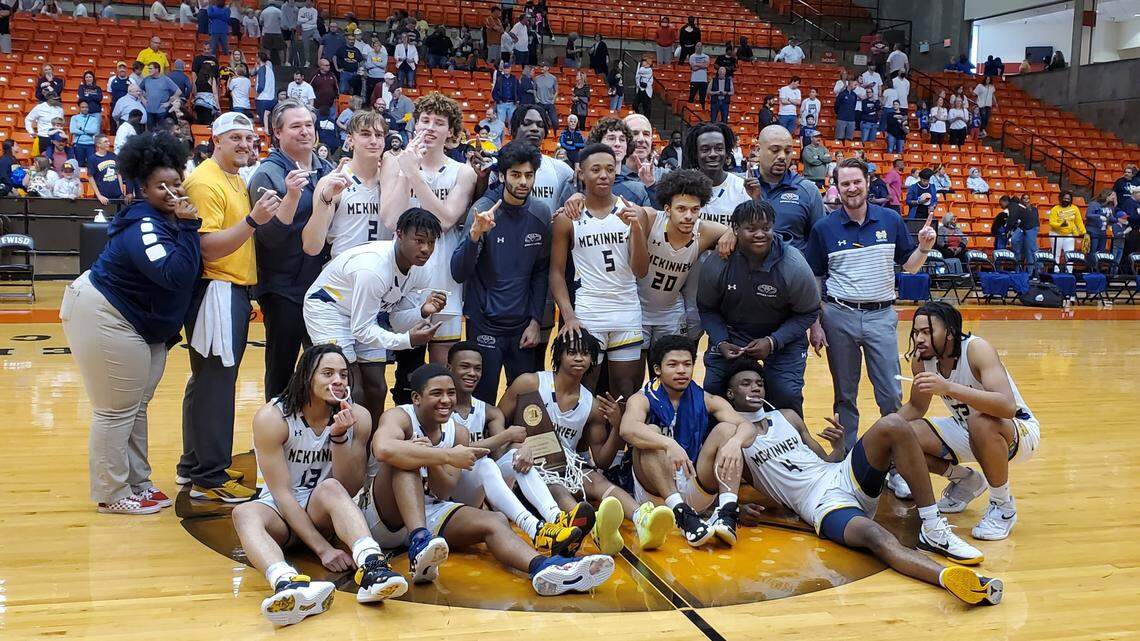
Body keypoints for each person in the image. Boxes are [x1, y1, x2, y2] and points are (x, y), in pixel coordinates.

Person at [725, 361, 998, 596]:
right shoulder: (730, 437)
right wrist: (736, 509)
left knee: (893, 424)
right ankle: (954, 579)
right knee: (876, 536)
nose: (755, 388)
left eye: (759, 383)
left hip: (841, 474)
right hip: (821, 505)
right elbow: (718, 487)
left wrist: (839, 445)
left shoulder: (787, 417)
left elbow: (827, 462)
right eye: (746, 384)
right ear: (730, 393)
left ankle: (932, 525)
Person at [363, 364, 617, 593]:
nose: (446, 400)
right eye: (437, 393)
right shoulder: (399, 416)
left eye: (451, 393)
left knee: (494, 521)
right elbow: (383, 449)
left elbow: (443, 491)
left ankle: (545, 567)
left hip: (431, 510)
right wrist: (438, 454)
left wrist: (434, 458)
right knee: (404, 461)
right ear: (416, 398)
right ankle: (419, 541)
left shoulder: (457, 432)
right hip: (387, 520)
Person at [62, 132, 199, 515]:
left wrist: (186, 226)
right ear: (143, 188)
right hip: (105, 314)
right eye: (161, 186)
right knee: (115, 410)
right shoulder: (144, 224)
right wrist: (190, 226)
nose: (171, 192)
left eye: (176, 183)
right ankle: (112, 492)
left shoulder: (169, 220)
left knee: (135, 406)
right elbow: (175, 275)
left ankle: (138, 482)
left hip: (136, 321)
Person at [232, 345, 406, 626]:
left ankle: (373, 566)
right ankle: (287, 584)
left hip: (323, 508)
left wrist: (339, 437)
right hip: (281, 512)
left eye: (343, 375)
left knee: (331, 487)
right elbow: (282, 494)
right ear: (306, 376)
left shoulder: (358, 417)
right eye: (327, 373)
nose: (338, 380)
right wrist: (323, 549)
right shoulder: (272, 418)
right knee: (243, 513)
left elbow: (350, 486)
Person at [178, 112, 282, 502]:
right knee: (217, 384)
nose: (245, 144)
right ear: (216, 140)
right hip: (216, 288)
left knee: (206, 381)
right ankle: (209, 478)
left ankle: (194, 465)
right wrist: (254, 221)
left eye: (249, 138)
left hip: (228, 289)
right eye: (235, 137)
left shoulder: (232, 177)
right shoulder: (205, 182)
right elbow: (206, 247)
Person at [805, 158, 937, 451]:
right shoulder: (823, 228)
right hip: (838, 316)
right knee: (844, 395)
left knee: (890, 393)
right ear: (836, 188)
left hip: (881, 316)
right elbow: (814, 278)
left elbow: (910, 266)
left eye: (856, 182)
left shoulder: (890, 219)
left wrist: (924, 247)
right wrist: (815, 324)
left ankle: (894, 457)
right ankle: (845, 457)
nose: (852, 188)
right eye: (845, 184)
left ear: (867, 182)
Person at [897, 301, 1040, 542]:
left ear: (950, 333)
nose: (919, 339)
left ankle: (1003, 507)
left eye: (927, 332)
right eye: (917, 332)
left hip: (1016, 431)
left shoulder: (977, 350)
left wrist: (949, 388)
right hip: (966, 428)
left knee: (980, 420)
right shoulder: (921, 360)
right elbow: (916, 407)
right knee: (903, 436)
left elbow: (1007, 406)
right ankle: (965, 480)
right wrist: (878, 433)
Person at [444, 342, 592, 554]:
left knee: (515, 457)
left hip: (479, 493)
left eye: (477, 368)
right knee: (485, 464)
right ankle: (535, 529)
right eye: (465, 367)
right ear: (449, 368)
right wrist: (507, 435)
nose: (472, 373)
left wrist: (523, 447)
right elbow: (455, 452)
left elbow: (500, 452)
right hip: (448, 492)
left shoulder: (490, 412)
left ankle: (556, 518)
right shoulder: (439, 408)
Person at [304, 208, 444, 430]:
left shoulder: (420, 270)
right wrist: (407, 340)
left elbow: (394, 320)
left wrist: (422, 312)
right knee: (351, 388)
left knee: (377, 388)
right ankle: (341, 441)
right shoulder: (374, 269)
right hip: (328, 309)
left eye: (431, 242)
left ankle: (374, 444)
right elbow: (362, 330)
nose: (426, 249)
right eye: (419, 240)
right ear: (399, 234)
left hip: (366, 315)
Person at [380, 92, 479, 400]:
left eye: (439, 122)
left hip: (444, 278)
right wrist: (405, 172)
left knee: (442, 370)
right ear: (415, 125)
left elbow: (445, 220)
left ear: (451, 131)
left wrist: (414, 174)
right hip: (405, 280)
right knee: (406, 373)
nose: (430, 127)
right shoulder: (394, 163)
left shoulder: (463, 171)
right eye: (425, 120)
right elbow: (391, 220)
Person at [496, 331, 632, 554]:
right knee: (556, 487)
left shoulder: (592, 405)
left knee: (596, 479)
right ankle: (594, 527)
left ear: (592, 359)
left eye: (585, 354)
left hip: (565, 466)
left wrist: (617, 428)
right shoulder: (530, 383)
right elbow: (496, 420)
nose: (579, 358)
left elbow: (602, 460)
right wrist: (514, 444)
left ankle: (643, 517)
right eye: (572, 352)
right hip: (526, 466)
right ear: (559, 355)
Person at [620, 334, 756, 547]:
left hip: (695, 483)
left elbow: (748, 427)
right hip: (656, 493)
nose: (681, 370)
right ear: (657, 369)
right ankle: (682, 514)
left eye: (687, 364)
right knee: (652, 432)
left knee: (729, 430)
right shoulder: (642, 398)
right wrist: (668, 444)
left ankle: (727, 511)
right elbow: (627, 429)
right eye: (673, 365)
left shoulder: (705, 398)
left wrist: (736, 442)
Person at [451, 141, 551, 401]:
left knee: (525, 403)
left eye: (529, 175)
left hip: (523, 326)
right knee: (482, 400)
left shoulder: (540, 213)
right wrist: (475, 235)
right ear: (503, 176)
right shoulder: (483, 211)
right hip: (485, 324)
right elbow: (458, 272)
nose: (523, 182)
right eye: (516, 175)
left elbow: (541, 272)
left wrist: (535, 321)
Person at [698, 198, 819, 413]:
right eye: (751, 229)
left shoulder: (793, 265)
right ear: (735, 229)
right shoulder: (719, 261)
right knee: (714, 389)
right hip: (733, 336)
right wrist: (721, 340)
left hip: (783, 338)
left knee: (786, 393)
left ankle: (790, 434)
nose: (760, 234)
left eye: (766, 228)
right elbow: (707, 309)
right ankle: (720, 434)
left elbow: (808, 312)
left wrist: (773, 341)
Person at [549, 143, 648, 401]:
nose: (604, 175)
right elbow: (556, 273)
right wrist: (569, 317)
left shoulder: (634, 212)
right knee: (583, 389)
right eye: (596, 170)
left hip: (626, 310)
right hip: (588, 311)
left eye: (609, 169)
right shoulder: (567, 217)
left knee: (624, 390)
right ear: (581, 173)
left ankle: (617, 431)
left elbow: (640, 271)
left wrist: (636, 229)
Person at [636, 169, 731, 352]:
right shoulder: (651, 219)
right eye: (681, 209)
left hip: (671, 313)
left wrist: (732, 232)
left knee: (670, 366)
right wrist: (579, 197)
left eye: (695, 209)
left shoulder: (704, 231)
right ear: (667, 209)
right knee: (634, 371)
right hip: (637, 310)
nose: (688, 215)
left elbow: (738, 232)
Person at [302, 110, 387, 259]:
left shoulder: (392, 181)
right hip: (344, 269)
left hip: (384, 269)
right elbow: (311, 247)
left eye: (379, 135)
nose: (374, 141)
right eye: (365, 134)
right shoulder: (332, 181)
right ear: (350, 140)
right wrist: (324, 200)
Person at [1048, 190, 1084, 267]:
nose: (1066, 200)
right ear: (1061, 198)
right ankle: (1055, 271)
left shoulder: (1075, 208)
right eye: (1065, 198)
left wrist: (1084, 232)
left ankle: (1069, 271)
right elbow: (1052, 223)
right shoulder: (1055, 209)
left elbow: (1079, 222)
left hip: (1069, 234)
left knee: (1070, 255)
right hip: (1056, 234)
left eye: (1068, 199)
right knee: (1056, 254)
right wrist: (1061, 225)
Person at [88, 134, 126, 206]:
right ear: (98, 144)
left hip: (118, 195)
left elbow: (118, 173)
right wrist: (99, 196)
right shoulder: (92, 159)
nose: (108, 143)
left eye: (108, 141)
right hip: (104, 197)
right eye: (105, 142)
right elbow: (90, 178)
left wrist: (121, 190)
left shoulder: (113, 155)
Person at [69, 101, 101, 169]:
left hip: (90, 144)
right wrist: (87, 132)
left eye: (86, 107)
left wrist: (81, 129)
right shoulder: (74, 118)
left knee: (91, 165)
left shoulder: (94, 119)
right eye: (82, 107)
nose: (84, 109)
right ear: (79, 108)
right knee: (79, 164)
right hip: (78, 144)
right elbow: (72, 130)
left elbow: (94, 131)